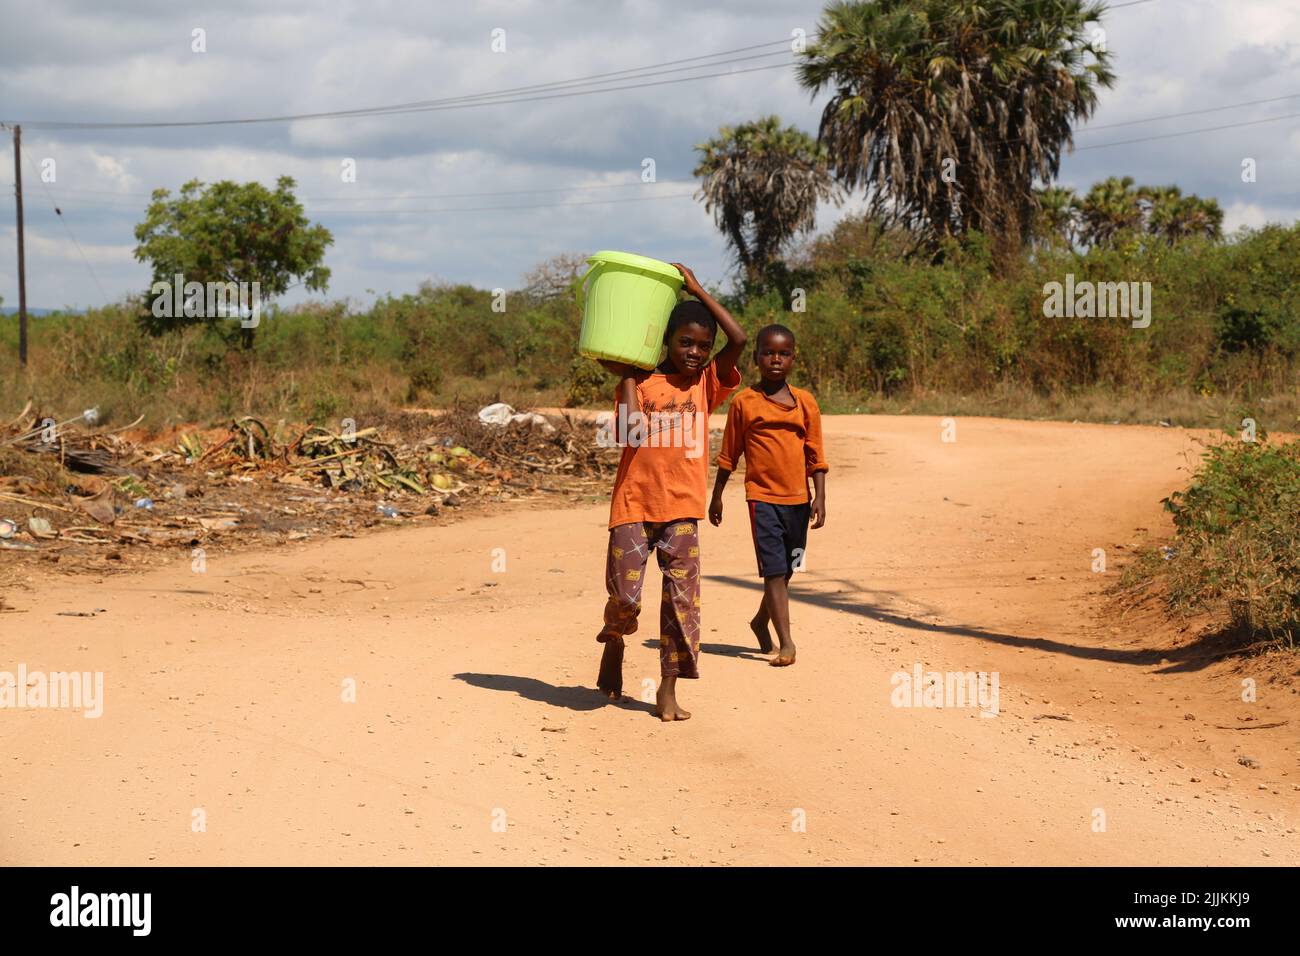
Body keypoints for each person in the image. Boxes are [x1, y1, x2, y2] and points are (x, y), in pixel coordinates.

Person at [593, 263, 746, 721]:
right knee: (626, 596)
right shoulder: (640, 383)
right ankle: (615, 640)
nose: (696, 353)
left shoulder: (707, 384)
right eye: (685, 343)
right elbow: (626, 432)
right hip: (634, 506)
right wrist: (625, 370)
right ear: (666, 340)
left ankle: (667, 689)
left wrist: (698, 288)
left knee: (682, 603)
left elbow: (737, 339)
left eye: (703, 345)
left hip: (682, 509)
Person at [710, 323, 828, 666]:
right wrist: (717, 495)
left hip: (799, 500)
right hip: (761, 499)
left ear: (793, 358)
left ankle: (761, 620)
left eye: (783, 353)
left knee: (789, 568)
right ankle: (786, 642)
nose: (775, 359)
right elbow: (730, 454)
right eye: (768, 352)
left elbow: (816, 453)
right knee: (773, 570)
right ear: (757, 357)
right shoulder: (744, 402)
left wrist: (819, 496)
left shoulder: (805, 402)